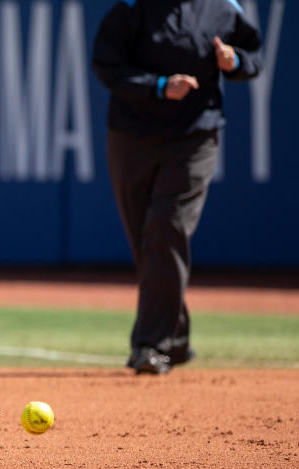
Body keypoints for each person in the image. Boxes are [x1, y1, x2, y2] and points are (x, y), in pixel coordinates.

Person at [92, 0, 262, 374]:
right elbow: (106, 65)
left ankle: (152, 345)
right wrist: (158, 86)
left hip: (194, 138)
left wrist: (235, 62)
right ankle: (177, 338)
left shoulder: (223, 7)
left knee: (166, 227)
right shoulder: (132, 7)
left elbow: (254, 54)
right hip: (131, 137)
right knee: (146, 240)